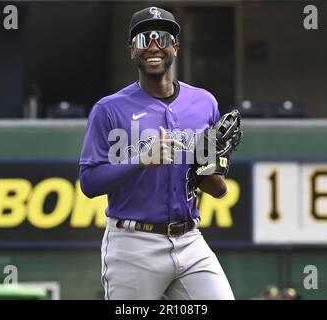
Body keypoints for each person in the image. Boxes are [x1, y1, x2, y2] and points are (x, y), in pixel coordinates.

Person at [79, 6, 235, 300]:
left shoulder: (204, 103)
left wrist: (210, 170)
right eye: (143, 39)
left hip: (190, 240)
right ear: (131, 51)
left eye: (162, 38)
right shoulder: (108, 109)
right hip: (133, 243)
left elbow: (215, 188)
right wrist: (140, 161)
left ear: (175, 47)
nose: (153, 46)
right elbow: (88, 182)